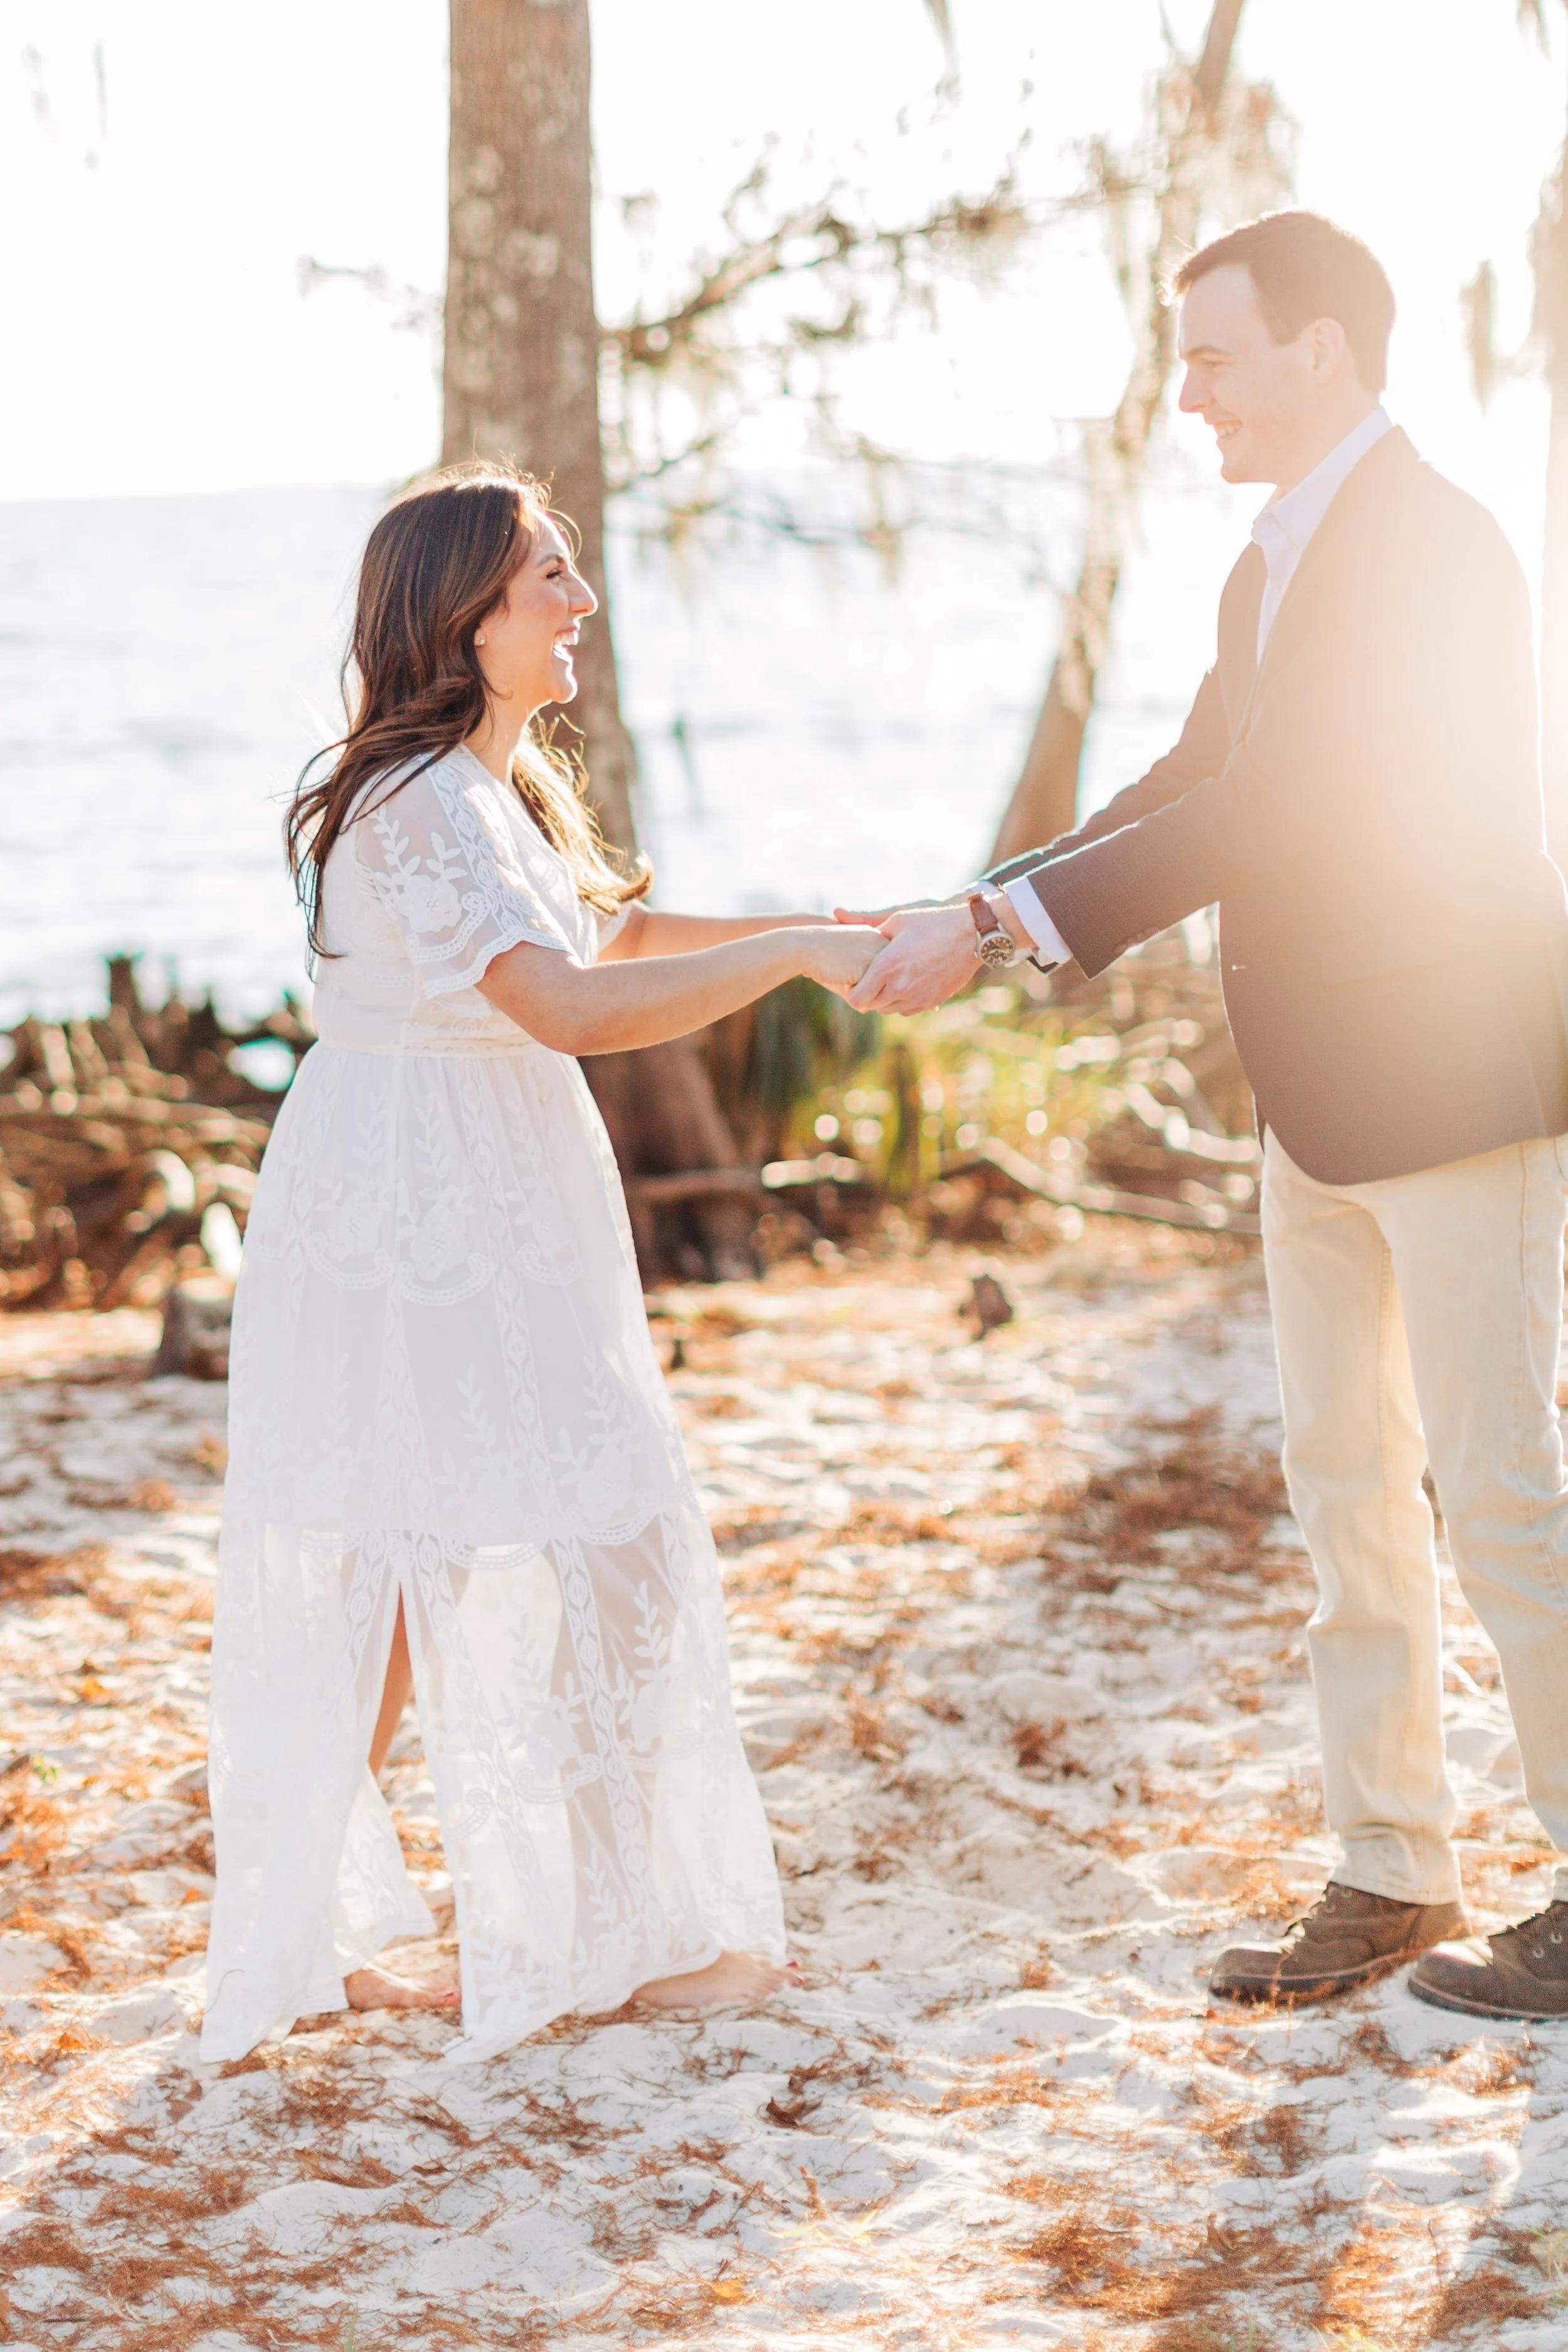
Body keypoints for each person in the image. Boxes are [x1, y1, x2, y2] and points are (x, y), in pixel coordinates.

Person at [845, 211, 1568, 2020]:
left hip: (1461, 1079)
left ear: (1321, 351)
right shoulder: (1267, 565)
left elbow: (1286, 797)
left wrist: (1000, 923)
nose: (1189, 397)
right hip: (1308, 1094)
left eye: (1216, 357)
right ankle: (1390, 1865)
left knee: (1497, 1492)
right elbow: (1193, 778)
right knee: (1343, 1491)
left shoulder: (1433, 544)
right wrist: (984, 898)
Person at [199, 463, 882, 2065]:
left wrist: (808, 925)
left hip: (451, 1182)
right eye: (546, 580)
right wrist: (790, 961)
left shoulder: (475, 785)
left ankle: (310, 1932)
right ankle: (609, 1937)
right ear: (463, 616)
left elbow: (603, 938)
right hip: (424, 1208)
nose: (577, 601)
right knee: (583, 1540)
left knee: (410, 1558)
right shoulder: (418, 800)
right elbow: (566, 1011)